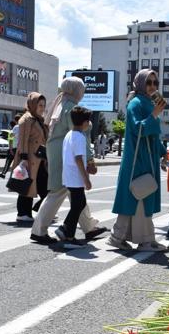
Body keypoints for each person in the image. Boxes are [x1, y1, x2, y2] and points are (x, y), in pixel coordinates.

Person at [29, 77, 106, 245]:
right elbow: (81, 134)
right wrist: (90, 159)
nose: (82, 92)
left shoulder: (60, 103)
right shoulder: (71, 107)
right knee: (58, 191)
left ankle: (89, 227)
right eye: (81, 89)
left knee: (75, 192)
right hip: (68, 155)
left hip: (58, 151)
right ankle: (39, 230)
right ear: (76, 90)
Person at [108, 69, 168, 252]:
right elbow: (138, 129)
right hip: (138, 159)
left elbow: (153, 136)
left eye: (155, 83)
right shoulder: (135, 103)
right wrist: (154, 115)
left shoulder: (148, 103)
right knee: (140, 196)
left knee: (137, 196)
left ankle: (119, 237)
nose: (152, 86)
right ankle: (145, 241)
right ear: (140, 83)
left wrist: (163, 153)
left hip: (146, 158)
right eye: (148, 82)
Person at [54, 106, 93, 248]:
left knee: (80, 204)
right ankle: (69, 236)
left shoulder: (70, 134)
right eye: (88, 121)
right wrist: (86, 179)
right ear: (84, 122)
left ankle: (64, 228)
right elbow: (78, 159)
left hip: (69, 176)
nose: (89, 124)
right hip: (75, 177)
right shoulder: (79, 137)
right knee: (77, 206)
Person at [12, 97, 48, 223]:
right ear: (32, 105)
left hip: (39, 158)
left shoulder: (38, 120)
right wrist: (24, 158)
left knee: (44, 186)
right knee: (26, 186)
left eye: (44, 105)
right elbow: (22, 140)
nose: (42, 108)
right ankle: (23, 213)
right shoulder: (26, 119)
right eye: (40, 105)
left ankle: (42, 209)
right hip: (29, 158)